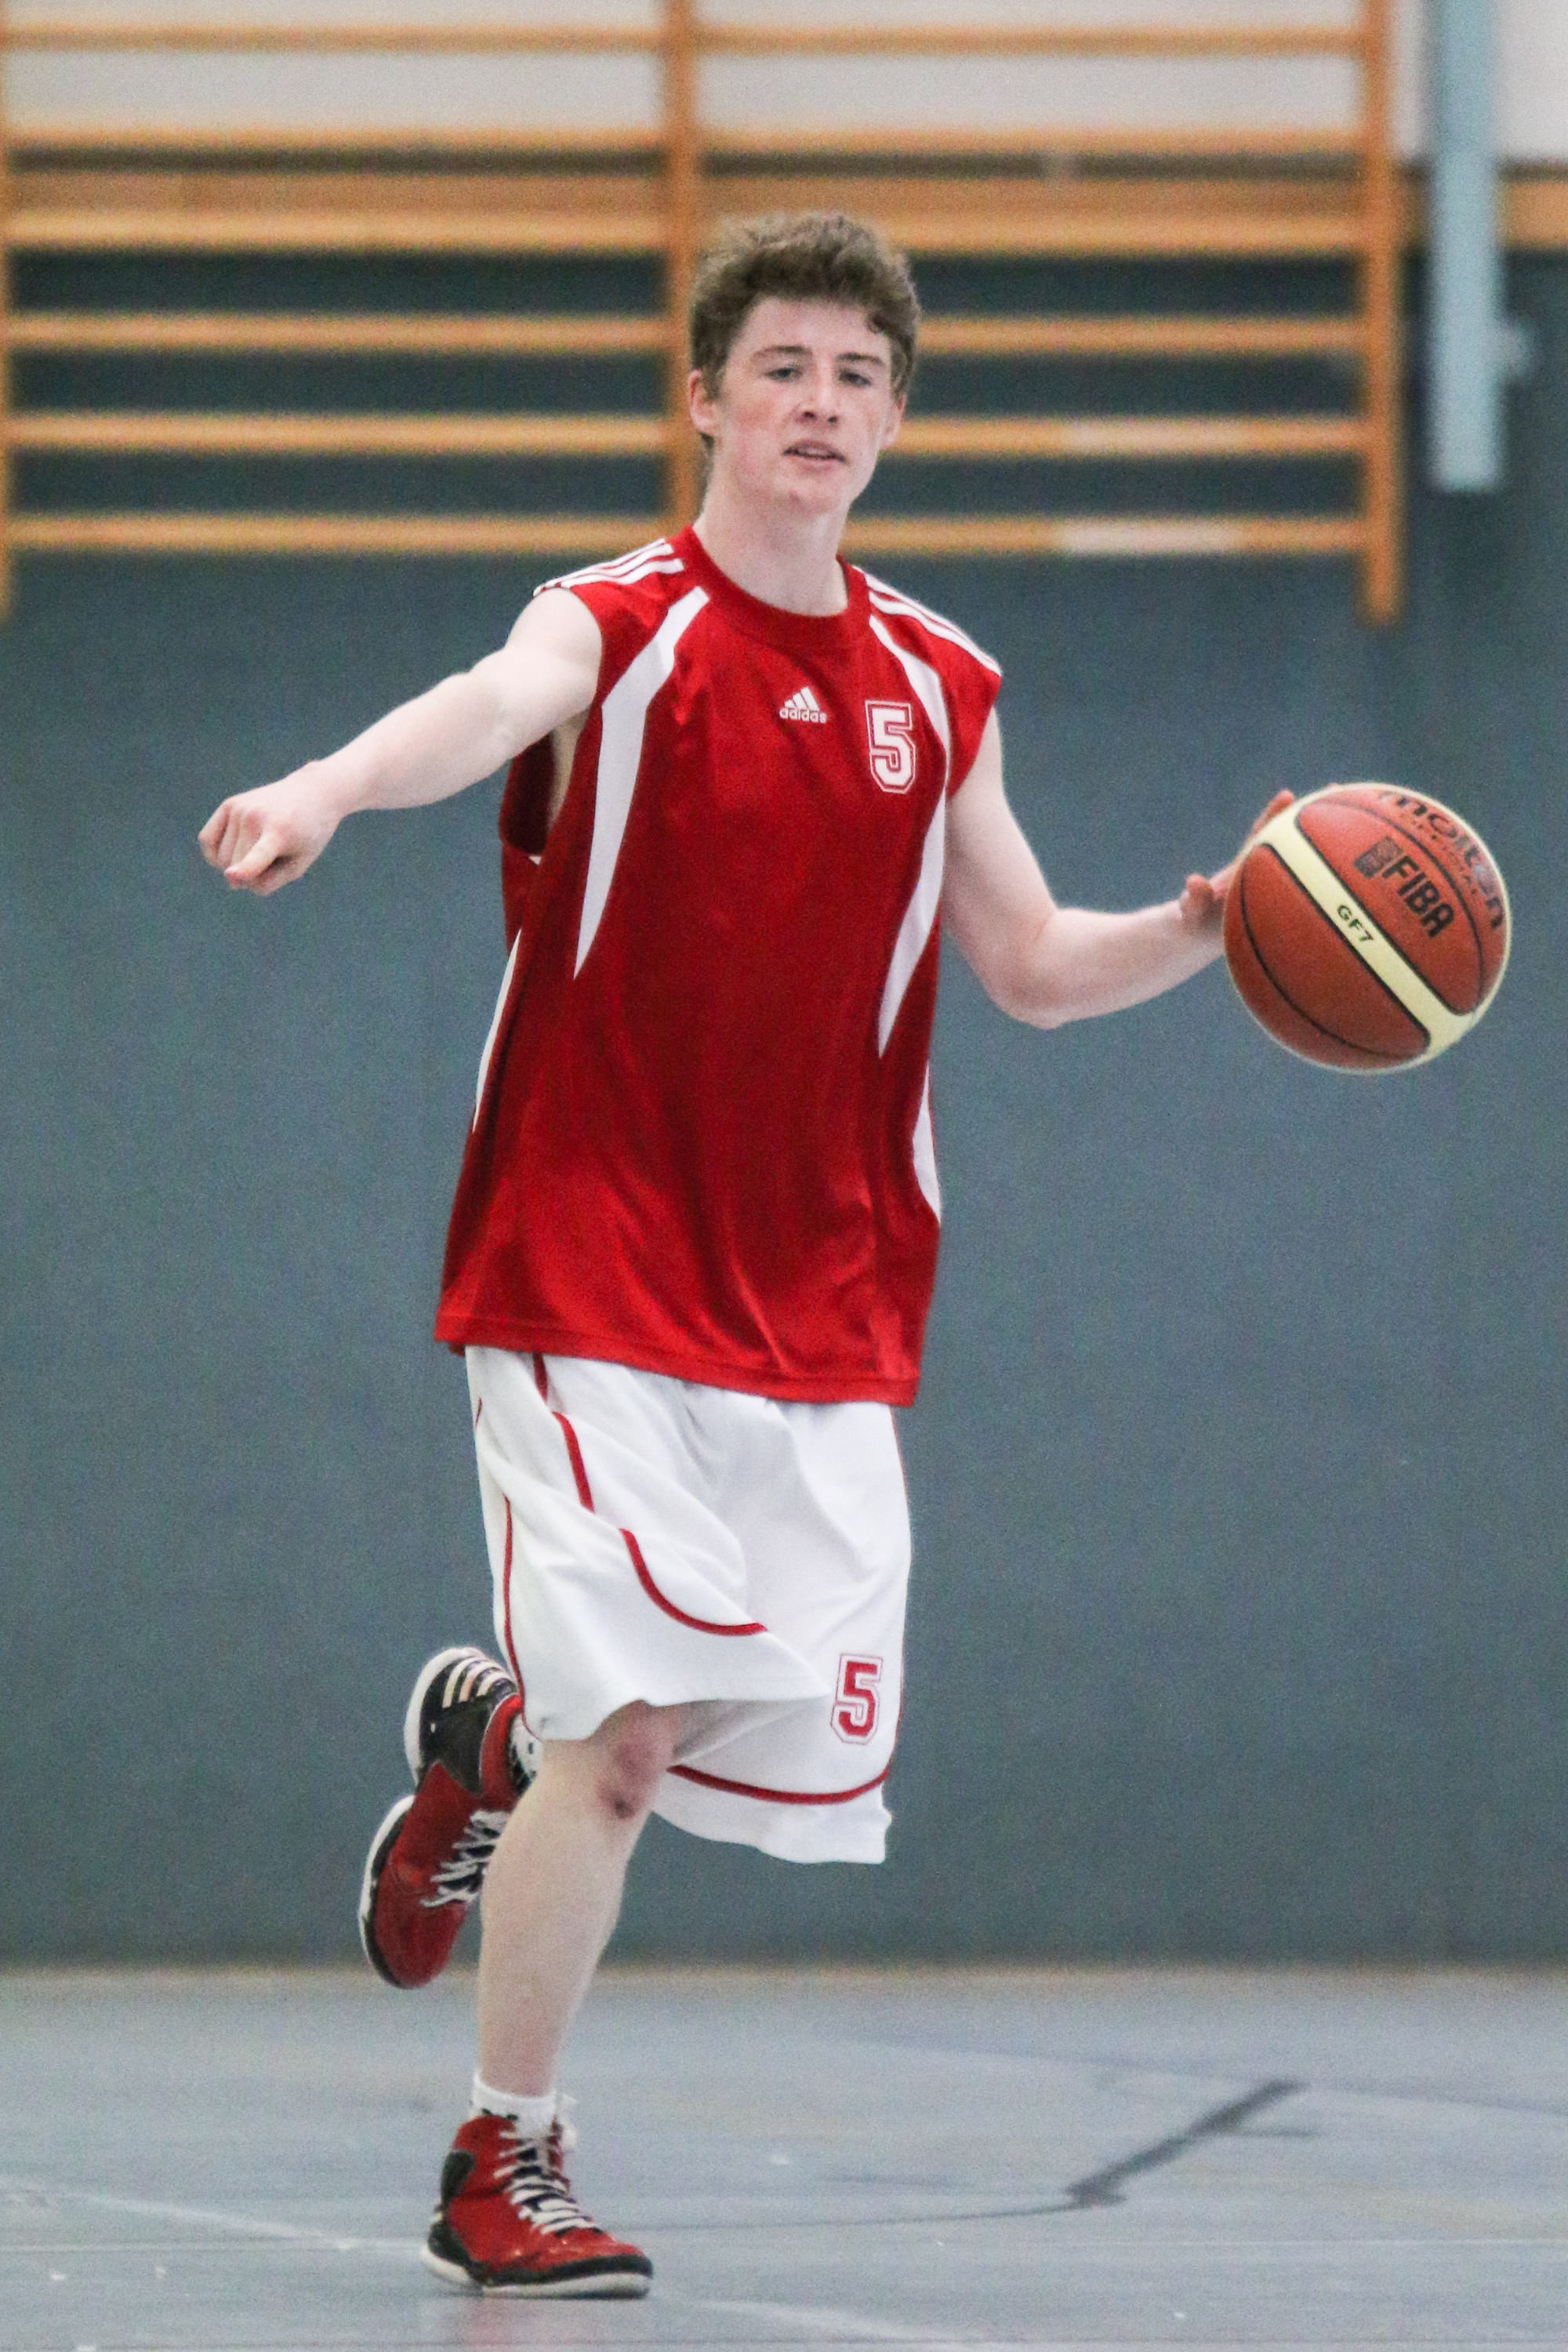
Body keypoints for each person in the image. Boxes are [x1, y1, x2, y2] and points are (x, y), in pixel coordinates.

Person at [199, 211, 1280, 2300]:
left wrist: (1207, 927)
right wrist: (328, 788)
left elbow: (1034, 967)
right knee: (629, 1745)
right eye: (782, 366)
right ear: (707, 395)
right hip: (585, 1264)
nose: (820, 404)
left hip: (819, 1305)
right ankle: (503, 2158)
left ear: (895, 424)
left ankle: (485, 1754)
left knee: (702, 1742)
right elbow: (486, 705)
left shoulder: (938, 685)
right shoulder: (614, 623)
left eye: (859, 378)